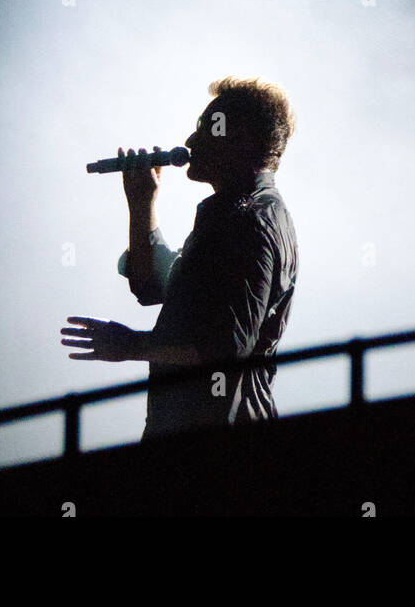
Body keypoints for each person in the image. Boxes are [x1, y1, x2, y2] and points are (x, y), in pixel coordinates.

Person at [61, 76, 298, 438]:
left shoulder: (249, 221)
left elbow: (224, 349)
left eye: (208, 128)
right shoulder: (229, 218)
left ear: (244, 139)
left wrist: (131, 345)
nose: (190, 141)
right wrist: (142, 205)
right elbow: (152, 287)